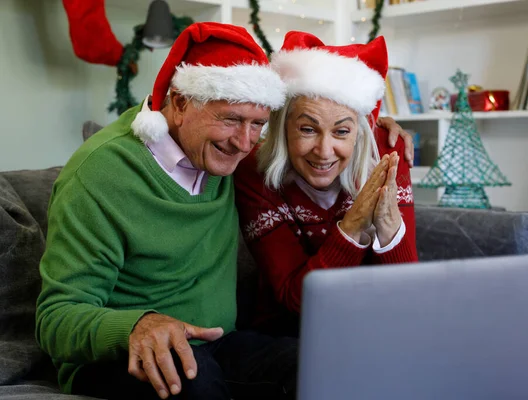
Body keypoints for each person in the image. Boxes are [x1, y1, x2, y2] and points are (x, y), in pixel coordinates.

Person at [35, 22, 299, 400]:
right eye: (230, 120)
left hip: (219, 344)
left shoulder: (224, 154)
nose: (245, 143)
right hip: (122, 356)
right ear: (178, 104)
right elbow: (55, 319)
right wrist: (138, 325)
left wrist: (376, 128)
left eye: (257, 124)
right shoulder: (100, 174)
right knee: (195, 382)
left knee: (313, 362)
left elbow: (317, 141)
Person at [234, 32, 419, 337]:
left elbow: (407, 296)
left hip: (374, 329)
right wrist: (353, 226)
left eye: (342, 132)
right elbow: (297, 299)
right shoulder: (254, 172)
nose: (324, 151)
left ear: (360, 131)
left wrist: (387, 226)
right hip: (288, 336)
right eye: (308, 129)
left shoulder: (386, 153)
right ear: (282, 128)